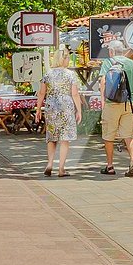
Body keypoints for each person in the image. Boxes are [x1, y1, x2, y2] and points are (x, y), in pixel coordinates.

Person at [98, 40, 133, 177]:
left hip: (111, 103)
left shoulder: (108, 62)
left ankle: (110, 166)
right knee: (128, 135)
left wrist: (103, 101)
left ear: (111, 51)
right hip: (129, 104)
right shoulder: (131, 63)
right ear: (122, 51)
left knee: (108, 136)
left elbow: (103, 82)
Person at [37, 47, 82, 177]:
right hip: (66, 107)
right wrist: (79, 110)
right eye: (68, 58)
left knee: (52, 137)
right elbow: (75, 94)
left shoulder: (48, 74)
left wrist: (38, 108)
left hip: (51, 107)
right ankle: (61, 169)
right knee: (64, 139)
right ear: (64, 59)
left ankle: (50, 164)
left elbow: (41, 93)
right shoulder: (70, 74)